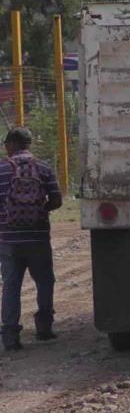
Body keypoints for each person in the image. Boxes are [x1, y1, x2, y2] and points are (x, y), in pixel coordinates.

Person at [0, 127, 62, 351]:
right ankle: (44, 329)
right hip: (38, 238)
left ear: (12, 144)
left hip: (9, 239)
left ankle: (10, 337)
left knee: (11, 286)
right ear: (29, 144)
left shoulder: (2, 168)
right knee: (45, 281)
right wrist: (39, 210)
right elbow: (57, 200)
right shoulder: (44, 168)